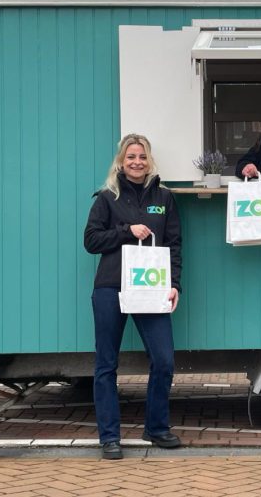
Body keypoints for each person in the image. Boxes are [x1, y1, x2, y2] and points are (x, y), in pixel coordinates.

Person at [83, 133, 182, 460]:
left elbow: (174, 245)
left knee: (164, 360)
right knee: (106, 364)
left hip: (152, 288)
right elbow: (91, 241)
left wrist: (175, 285)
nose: (137, 162)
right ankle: (109, 437)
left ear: (149, 160)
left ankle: (155, 427)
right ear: (121, 162)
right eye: (130, 157)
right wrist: (128, 231)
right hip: (111, 288)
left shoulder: (164, 197)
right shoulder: (107, 197)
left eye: (141, 157)